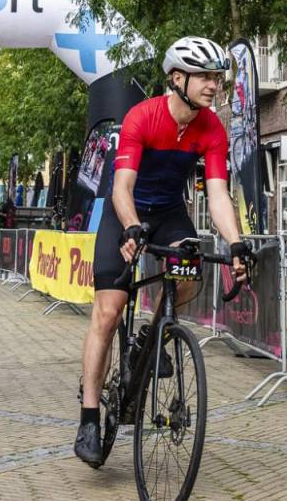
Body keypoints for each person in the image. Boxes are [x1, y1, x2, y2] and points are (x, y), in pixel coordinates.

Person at [74, 36, 251, 466]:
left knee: (188, 277)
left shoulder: (211, 129)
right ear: (177, 78)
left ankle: (152, 338)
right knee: (109, 310)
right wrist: (132, 227)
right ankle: (90, 416)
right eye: (206, 77)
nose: (214, 86)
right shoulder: (142, 117)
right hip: (127, 211)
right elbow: (122, 187)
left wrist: (236, 243)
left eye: (217, 78)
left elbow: (217, 195)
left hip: (169, 213)